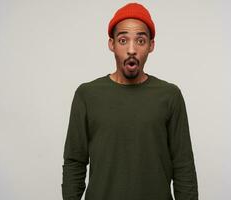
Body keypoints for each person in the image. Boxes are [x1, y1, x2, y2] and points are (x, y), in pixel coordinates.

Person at [62, 2, 198, 200]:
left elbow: (183, 165)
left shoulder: (169, 95)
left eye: (140, 41)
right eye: (123, 40)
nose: (132, 49)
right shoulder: (87, 94)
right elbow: (74, 161)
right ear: (112, 44)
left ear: (151, 45)